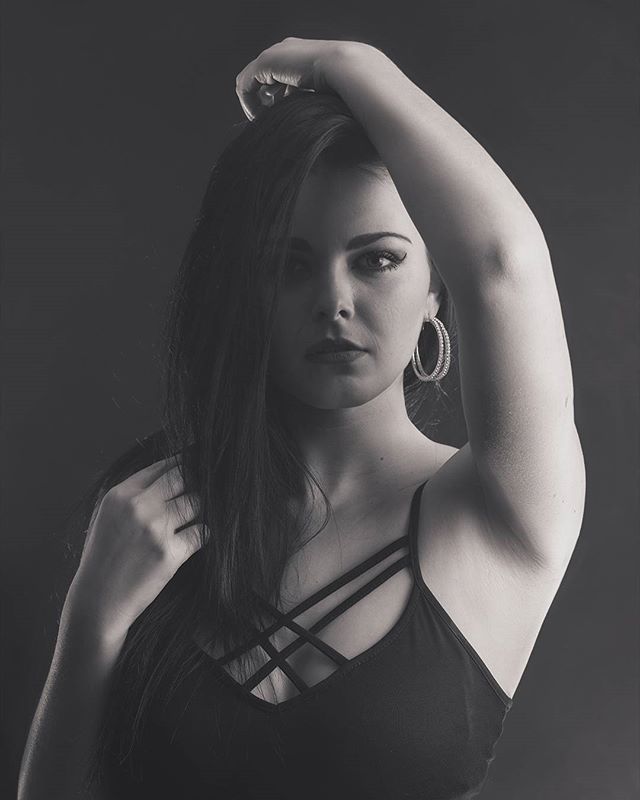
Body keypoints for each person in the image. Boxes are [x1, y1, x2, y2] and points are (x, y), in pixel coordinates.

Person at [18, 37, 586, 799]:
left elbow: (503, 261)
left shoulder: (499, 509)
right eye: (287, 263)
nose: (334, 300)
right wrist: (88, 622)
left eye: (377, 258)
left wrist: (350, 65)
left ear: (435, 292)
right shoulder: (150, 508)